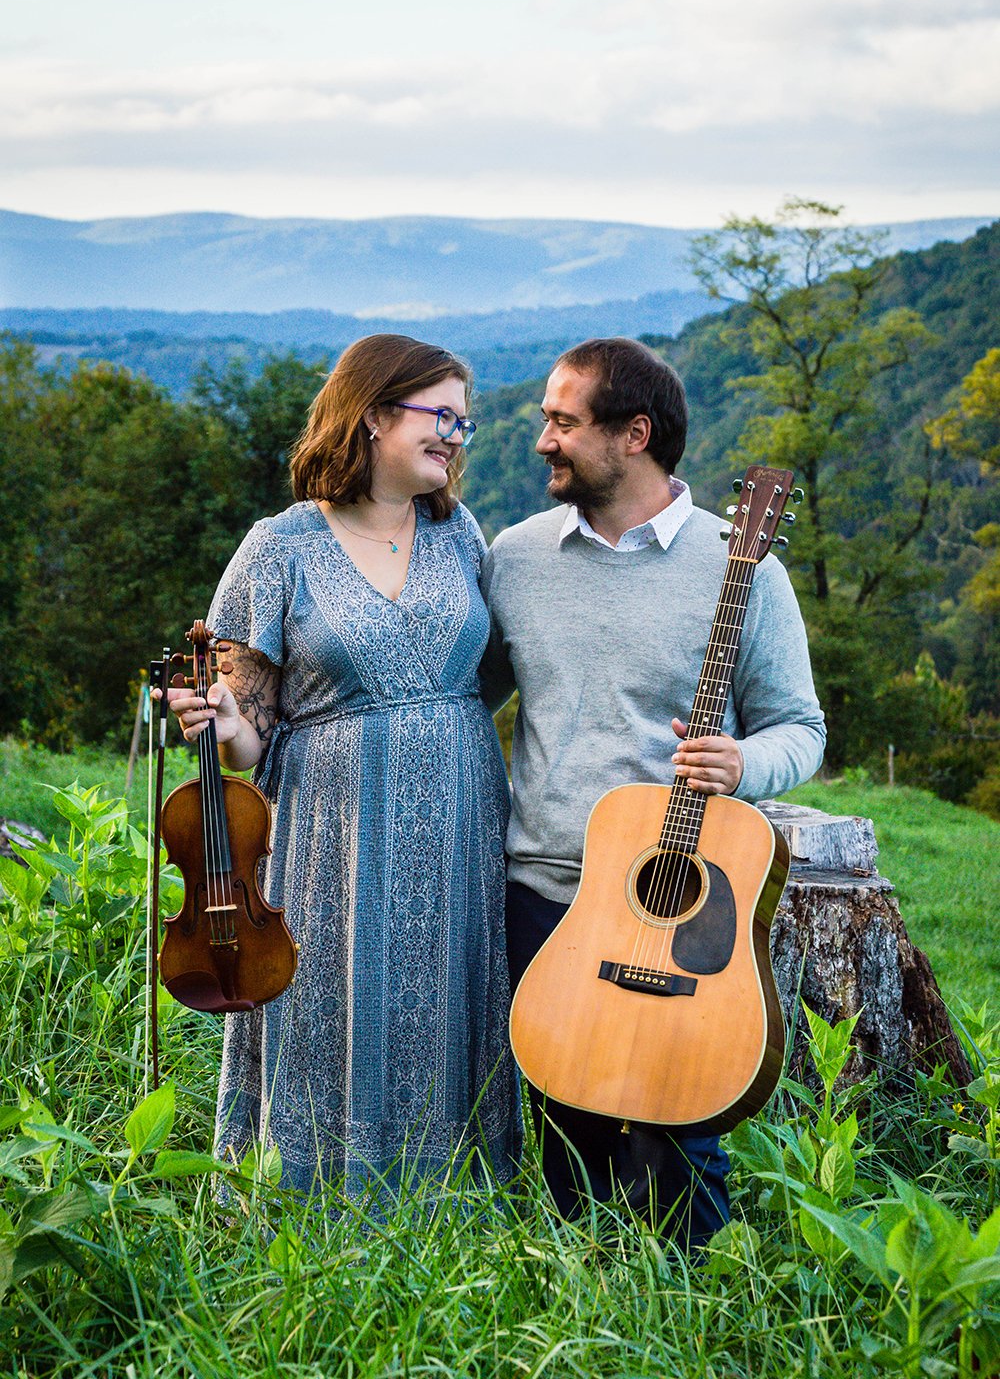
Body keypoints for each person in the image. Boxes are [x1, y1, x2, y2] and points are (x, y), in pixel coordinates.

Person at [479, 337, 826, 1251]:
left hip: (684, 910)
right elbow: (459, 702)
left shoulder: (741, 565)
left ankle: (691, 1316)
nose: (542, 440)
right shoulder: (515, 558)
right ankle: (574, 1310)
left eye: (562, 421)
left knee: (680, 1141)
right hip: (546, 894)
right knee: (566, 1135)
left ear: (634, 434)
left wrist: (741, 766)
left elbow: (802, 728)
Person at [164, 333, 521, 1199]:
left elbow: (495, 671)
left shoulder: (459, 533)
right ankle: (315, 1196)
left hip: (461, 819)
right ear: (371, 415)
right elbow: (248, 732)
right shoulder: (279, 547)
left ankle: (461, 1202)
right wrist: (214, 726)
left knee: (452, 997)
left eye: (463, 425)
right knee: (331, 996)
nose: (456, 438)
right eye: (441, 417)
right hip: (334, 824)